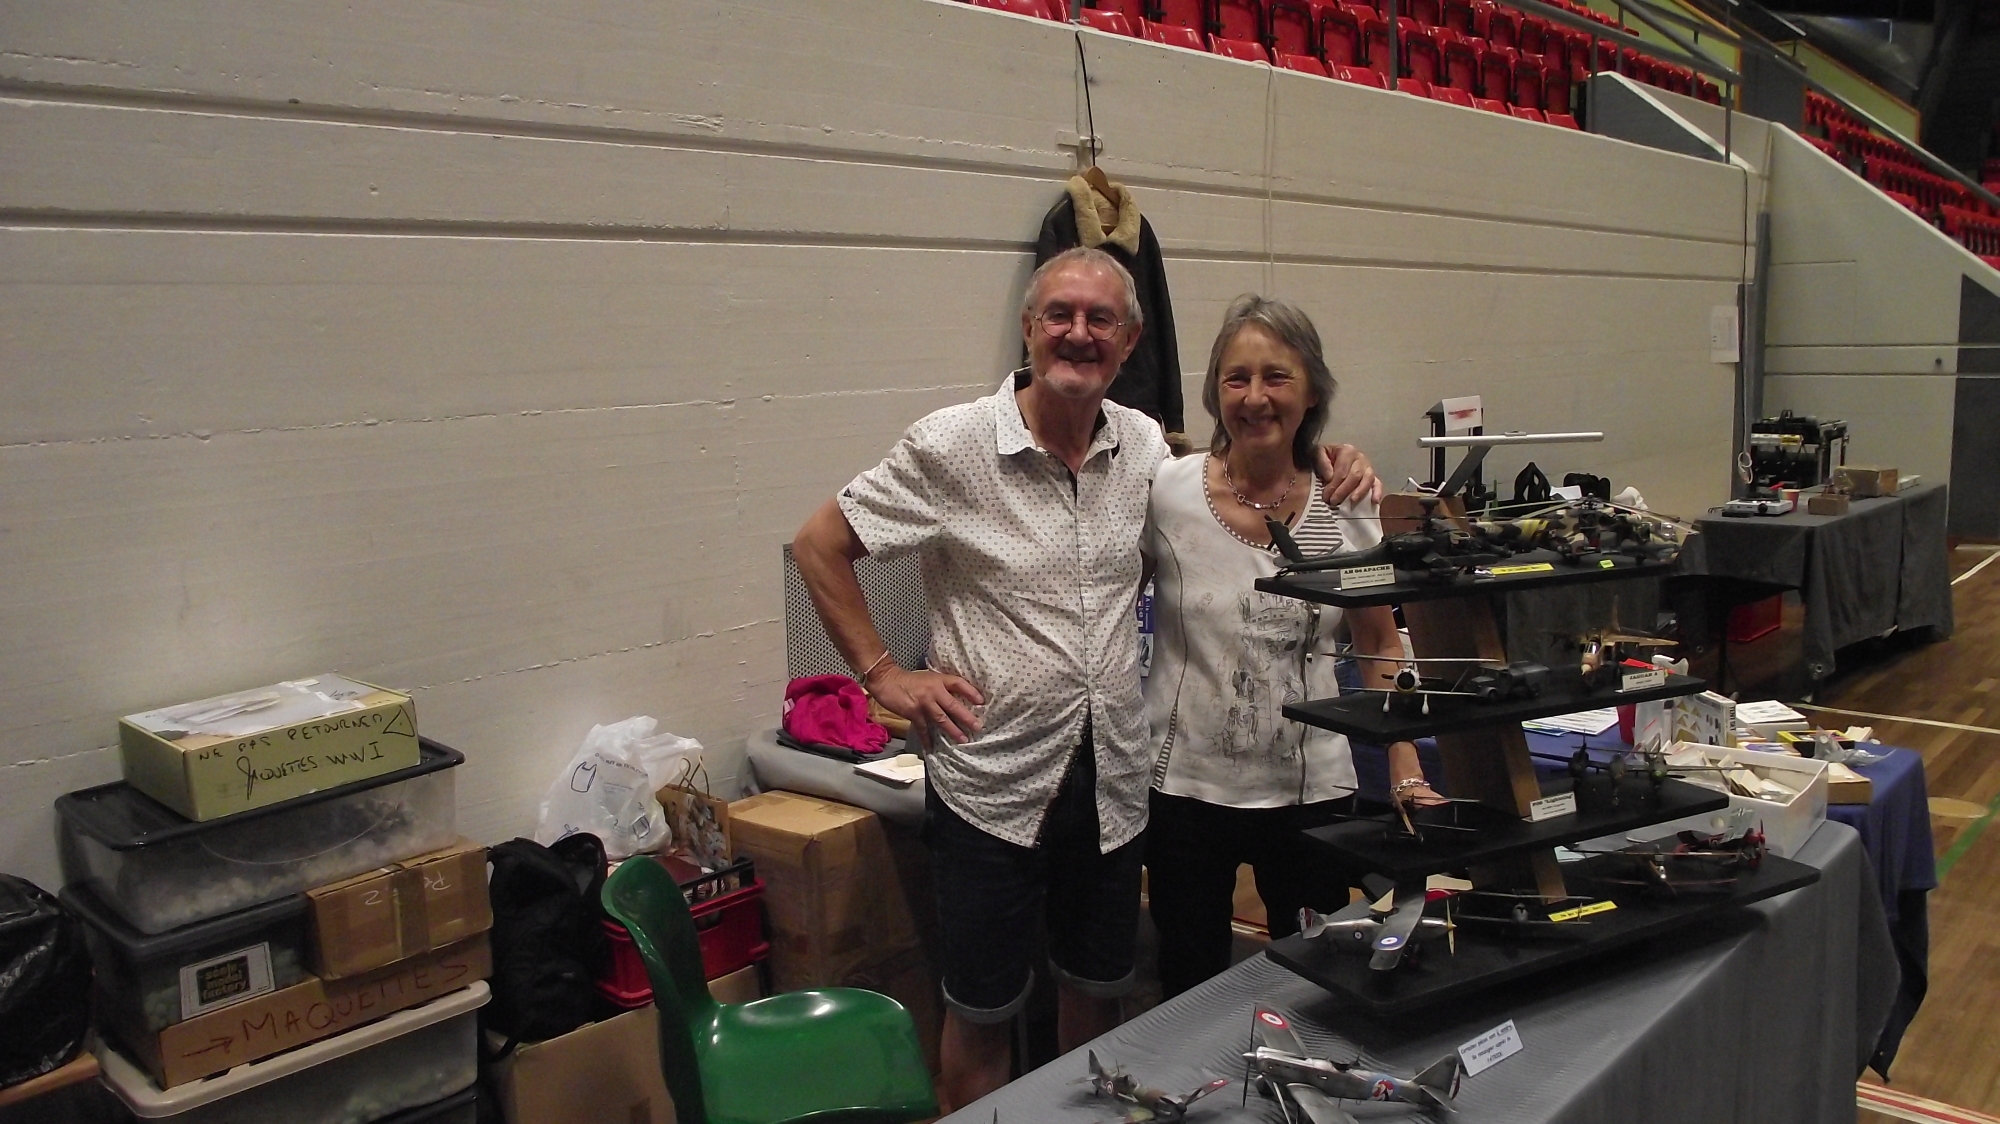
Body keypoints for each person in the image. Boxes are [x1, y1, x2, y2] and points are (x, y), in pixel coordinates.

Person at [790, 248, 1378, 1111]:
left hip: (1113, 788)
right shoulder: (952, 444)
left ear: (1129, 340)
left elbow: (1243, 474)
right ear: (1029, 328)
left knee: (1098, 999)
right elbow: (819, 546)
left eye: (1101, 319)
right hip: (992, 784)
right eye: (1059, 315)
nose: (1079, 333)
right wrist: (885, 675)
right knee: (982, 1014)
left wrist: (1331, 457)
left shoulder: (1142, 449)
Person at [1142, 294, 1441, 1000]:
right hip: (1185, 791)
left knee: (1317, 985)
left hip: (1311, 790)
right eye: (1236, 378)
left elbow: (1379, 642)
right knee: (1186, 983)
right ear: (1216, 393)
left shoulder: (1346, 501)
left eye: (1276, 376)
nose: (1255, 398)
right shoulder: (1167, 491)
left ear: (1312, 392)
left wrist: (1404, 768)